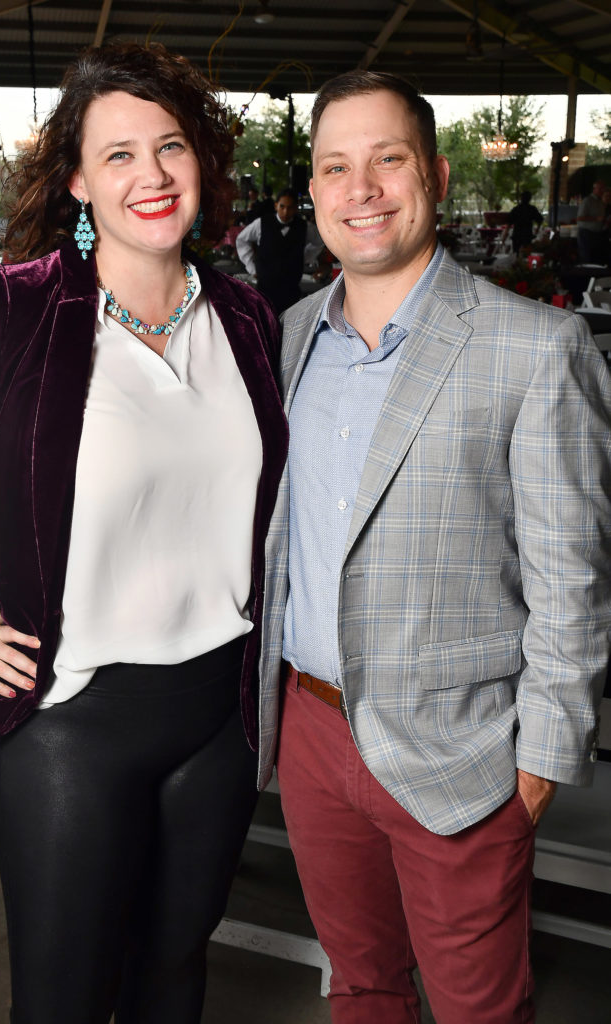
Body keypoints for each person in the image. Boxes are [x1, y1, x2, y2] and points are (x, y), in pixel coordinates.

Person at [0, 43, 288, 1024]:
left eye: (171, 147)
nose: (151, 176)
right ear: (76, 182)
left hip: (218, 717)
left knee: (174, 981)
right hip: (70, 725)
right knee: (59, 1004)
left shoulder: (245, 319)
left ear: (203, 164)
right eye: (119, 155)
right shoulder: (15, 311)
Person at [256, 69, 611, 1023]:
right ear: (314, 189)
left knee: (478, 1009)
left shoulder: (536, 347)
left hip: (464, 750)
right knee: (360, 984)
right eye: (336, 166)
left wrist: (544, 756)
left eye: (388, 161)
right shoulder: (287, 340)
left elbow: (572, 575)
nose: (361, 189)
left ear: (437, 176)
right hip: (314, 735)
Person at [236, 188, 324, 313]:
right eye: (282, 206)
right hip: (265, 287)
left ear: (296, 208)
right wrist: (252, 267)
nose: (285, 211)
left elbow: (319, 242)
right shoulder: (261, 223)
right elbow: (241, 240)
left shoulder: (305, 226)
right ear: (276, 205)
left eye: (290, 207)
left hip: (291, 288)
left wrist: (303, 258)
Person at [576, 179, 608, 263]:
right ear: (594, 189)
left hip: (597, 234)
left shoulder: (601, 202)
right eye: (600, 188)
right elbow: (579, 218)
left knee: (596, 259)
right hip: (586, 234)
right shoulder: (587, 201)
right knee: (587, 259)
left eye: (603, 189)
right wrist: (596, 219)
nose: (602, 191)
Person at [505, 189, 542, 254]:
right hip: (527, 235)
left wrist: (504, 236)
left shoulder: (516, 209)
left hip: (517, 235)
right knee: (526, 253)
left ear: (521, 198)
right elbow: (540, 220)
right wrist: (537, 230)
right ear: (530, 199)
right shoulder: (532, 209)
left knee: (516, 254)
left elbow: (509, 223)